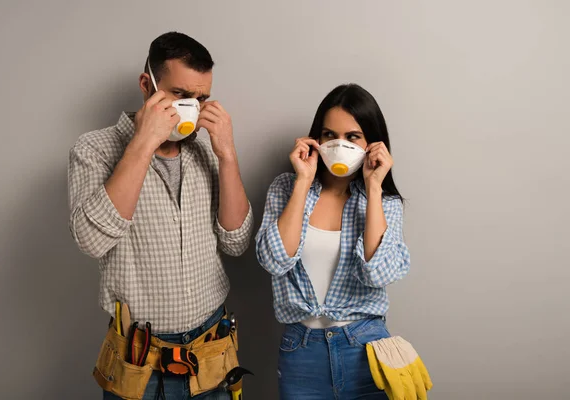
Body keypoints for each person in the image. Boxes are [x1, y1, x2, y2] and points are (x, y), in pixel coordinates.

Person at [68, 31, 253, 399]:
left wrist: (228, 156)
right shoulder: (94, 149)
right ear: (146, 84)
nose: (191, 107)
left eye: (200, 98)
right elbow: (91, 240)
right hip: (140, 360)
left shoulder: (204, 151)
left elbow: (236, 241)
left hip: (212, 350)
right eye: (180, 94)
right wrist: (143, 142)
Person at [255, 83, 411, 399]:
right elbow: (273, 259)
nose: (339, 145)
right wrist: (303, 180)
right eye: (329, 135)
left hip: (366, 350)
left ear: (371, 143)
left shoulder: (384, 202)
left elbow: (378, 273)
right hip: (301, 354)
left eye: (352, 137)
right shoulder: (286, 188)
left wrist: (375, 187)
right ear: (317, 138)